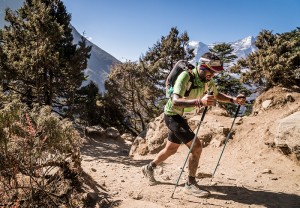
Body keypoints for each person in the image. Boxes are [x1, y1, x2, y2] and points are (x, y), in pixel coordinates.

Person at [142, 52, 246, 198]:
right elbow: (176, 101)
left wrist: (233, 100)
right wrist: (199, 102)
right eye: (212, 71)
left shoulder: (208, 80)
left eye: (216, 72)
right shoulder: (185, 76)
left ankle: (149, 168)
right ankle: (190, 184)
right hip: (173, 115)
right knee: (196, 147)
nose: (214, 74)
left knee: (171, 149)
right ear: (202, 67)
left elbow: (216, 94)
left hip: (182, 117)